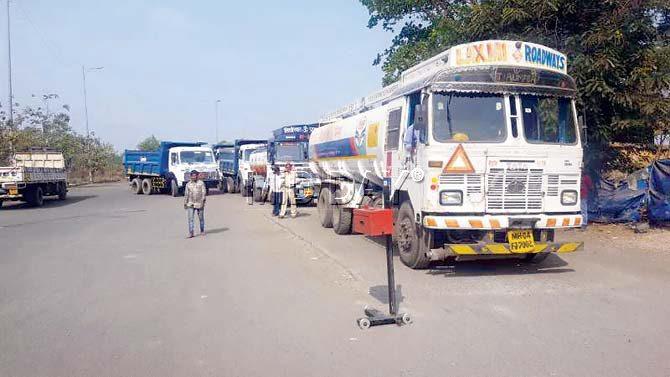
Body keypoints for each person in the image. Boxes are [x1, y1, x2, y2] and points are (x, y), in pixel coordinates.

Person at [184, 170, 207, 238]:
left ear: (197, 176)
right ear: (190, 176)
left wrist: (203, 201)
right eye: (192, 176)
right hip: (190, 203)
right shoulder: (188, 184)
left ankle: (202, 230)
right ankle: (191, 232)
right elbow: (186, 194)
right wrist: (185, 203)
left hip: (199, 203)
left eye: (195, 176)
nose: (194, 177)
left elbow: (203, 193)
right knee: (190, 219)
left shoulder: (201, 183)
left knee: (201, 218)